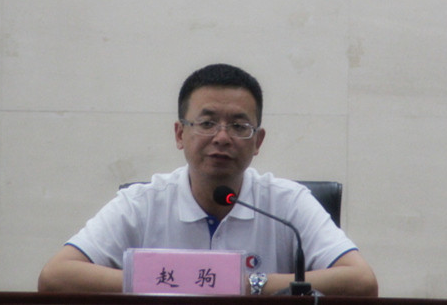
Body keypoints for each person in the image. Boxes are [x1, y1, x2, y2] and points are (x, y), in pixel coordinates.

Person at [38, 63, 378, 296]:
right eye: (206, 123)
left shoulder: (287, 203)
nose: (222, 137)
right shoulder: (142, 203)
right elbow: (55, 277)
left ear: (258, 141)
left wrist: (251, 284)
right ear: (179, 134)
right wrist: (171, 281)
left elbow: (361, 282)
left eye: (239, 126)